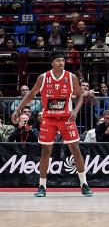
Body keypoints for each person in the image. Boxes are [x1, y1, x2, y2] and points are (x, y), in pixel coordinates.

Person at [11, 51, 93, 197]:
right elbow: (30, 95)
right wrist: (18, 109)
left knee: (75, 149)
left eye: (63, 60)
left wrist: (75, 111)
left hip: (66, 118)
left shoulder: (71, 77)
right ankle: (42, 186)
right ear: (52, 63)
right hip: (48, 119)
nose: (61, 63)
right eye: (58, 60)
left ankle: (84, 184)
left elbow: (80, 96)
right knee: (45, 152)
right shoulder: (43, 78)